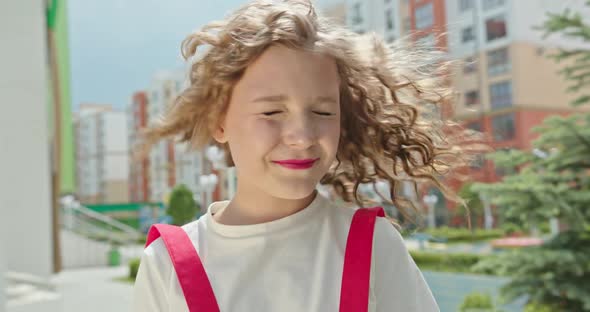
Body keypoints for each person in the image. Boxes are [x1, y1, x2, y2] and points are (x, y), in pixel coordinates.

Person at [133, 0, 476, 311]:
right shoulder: (167, 264)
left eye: (324, 112)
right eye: (271, 113)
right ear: (218, 121)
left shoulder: (372, 246)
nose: (302, 137)